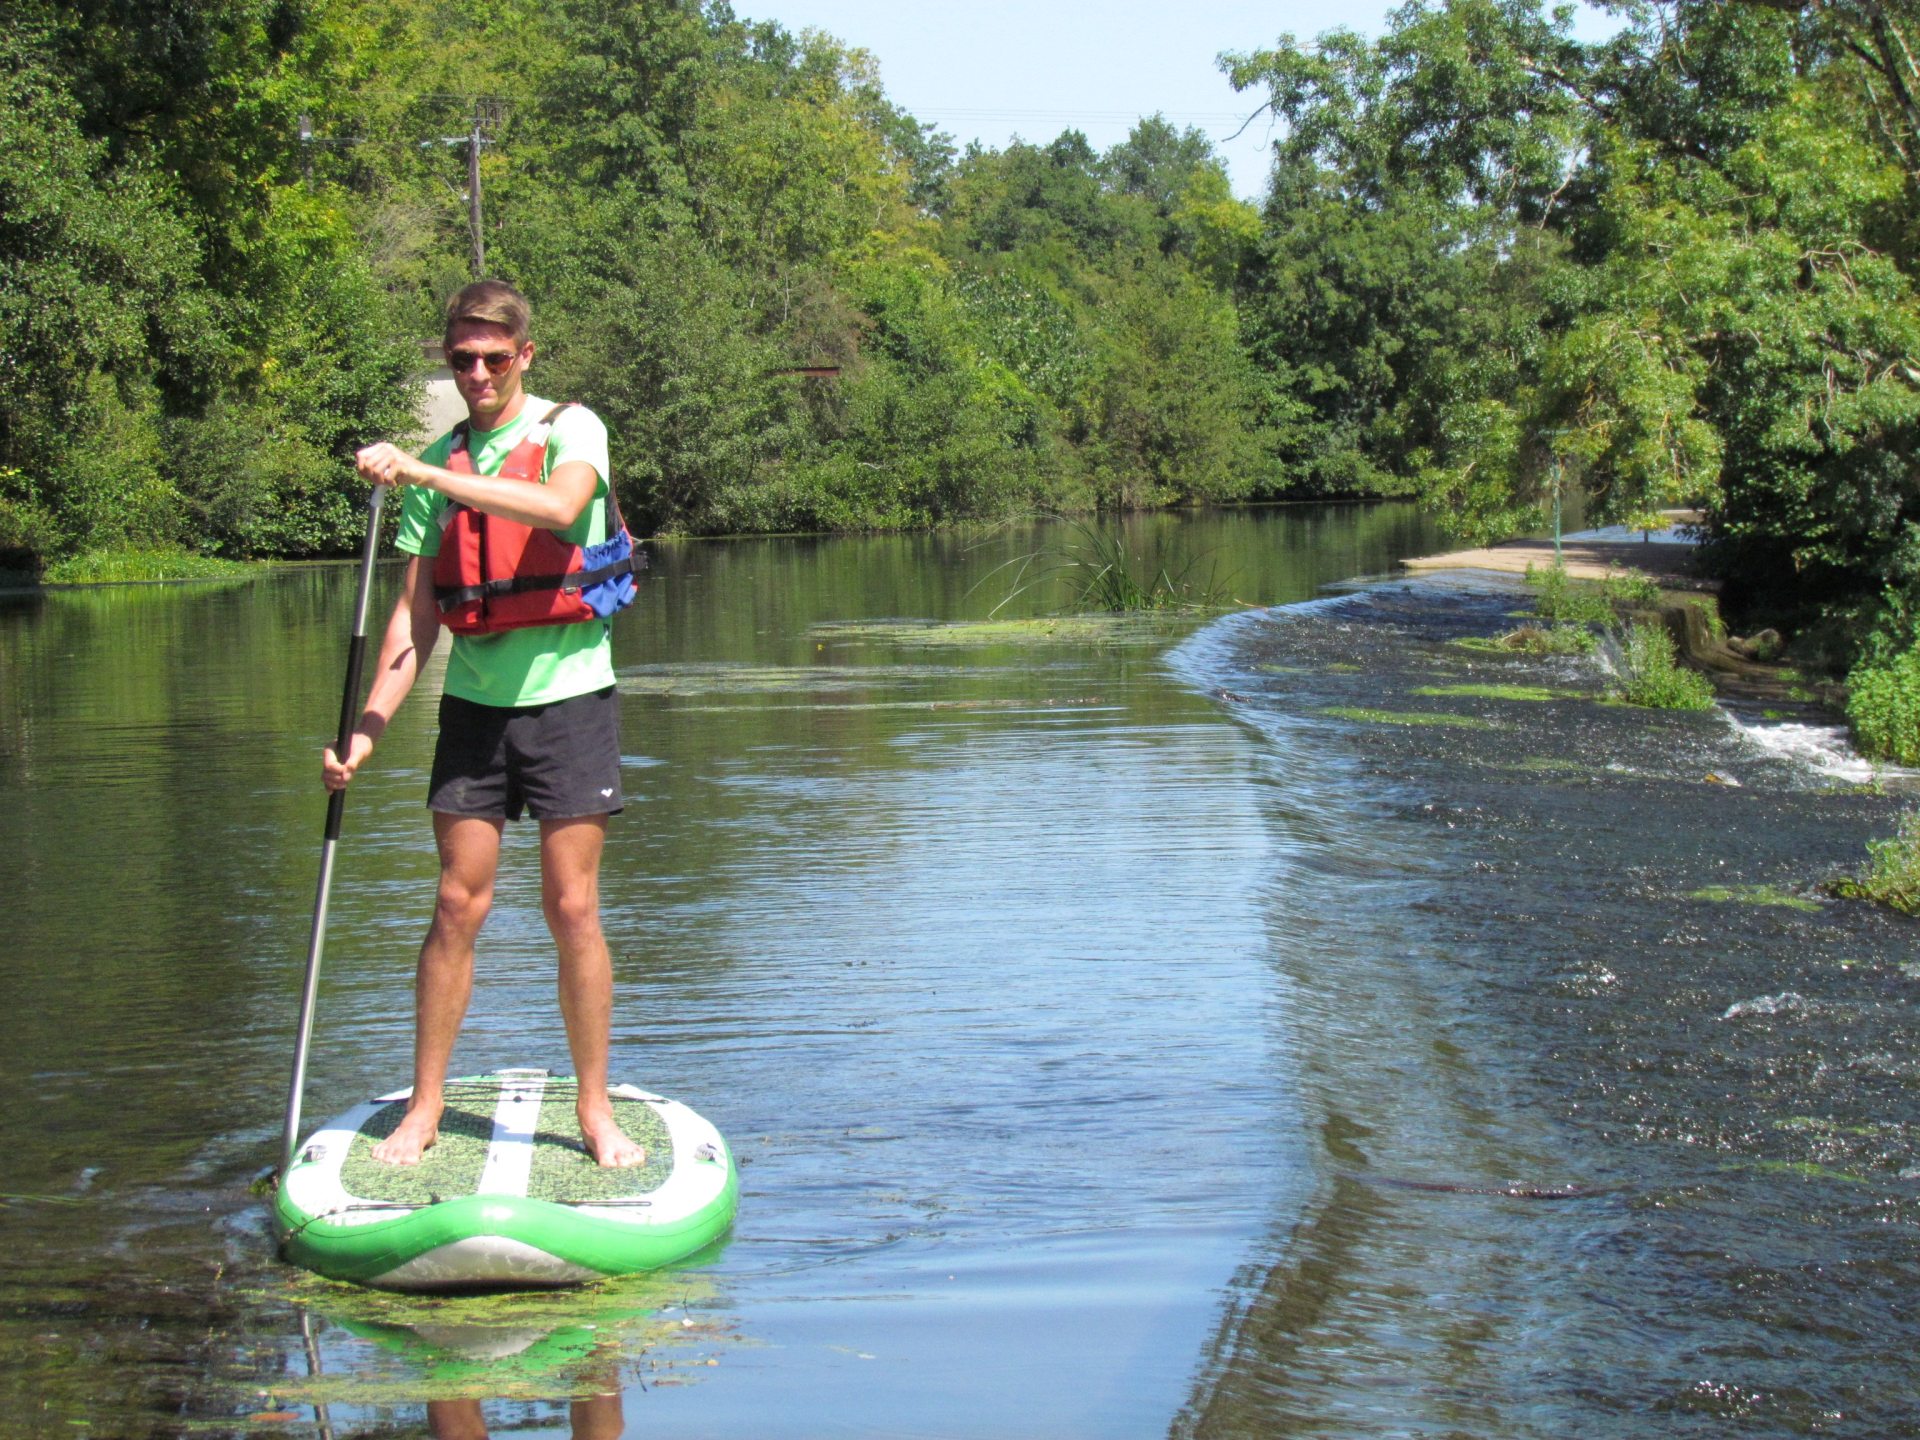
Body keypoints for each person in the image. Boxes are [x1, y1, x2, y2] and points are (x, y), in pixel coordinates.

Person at [323, 279, 644, 1168]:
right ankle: (424, 1108)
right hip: (474, 710)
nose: (476, 372)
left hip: (571, 700)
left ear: (524, 357)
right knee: (455, 903)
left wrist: (427, 471)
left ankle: (593, 1111)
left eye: (493, 358)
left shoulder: (571, 429)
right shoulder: (442, 462)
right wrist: (368, 728)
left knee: (571, 905)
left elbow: (558, 507)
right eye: (461, 358)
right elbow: (414, 618)